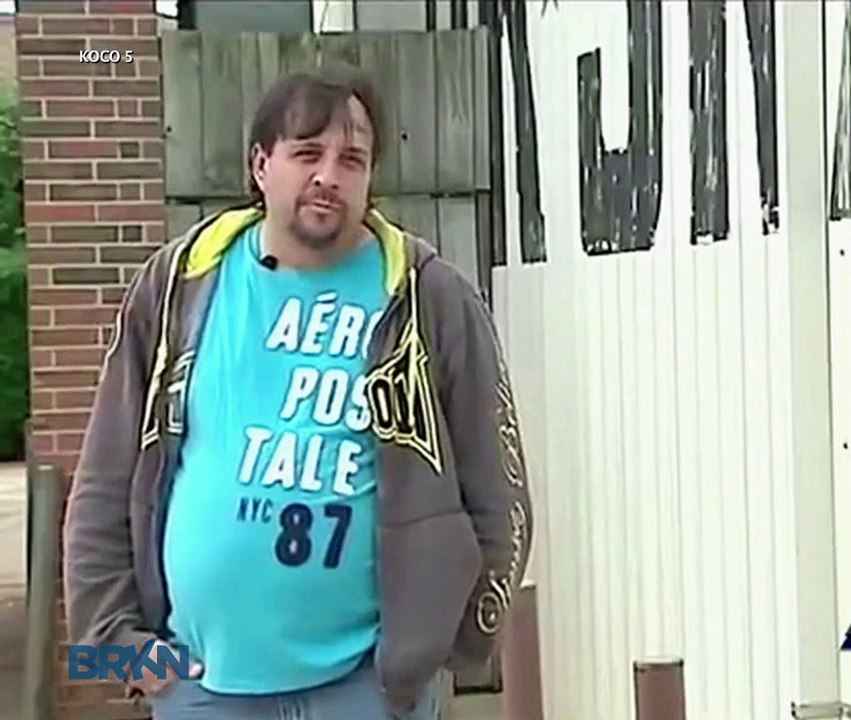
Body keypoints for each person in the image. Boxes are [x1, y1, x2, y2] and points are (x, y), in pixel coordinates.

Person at [61, 63, 533, 720]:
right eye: (307, 153)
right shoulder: (177, 285)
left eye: (352, 160)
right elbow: (104, 482)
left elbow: (499, 489)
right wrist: (121, 656)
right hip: (199, 691)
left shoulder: (431, 298)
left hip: (369, 692)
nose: (329, 176)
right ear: (260, 164)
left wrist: (437, 652)